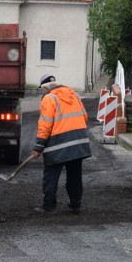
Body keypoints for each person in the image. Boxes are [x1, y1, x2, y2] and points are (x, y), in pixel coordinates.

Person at [31, 74, 91, 214]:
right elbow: (84, 117)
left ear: (46, 87)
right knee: (75, 176)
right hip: (78, 142)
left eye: (42, 89)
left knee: (51, 177)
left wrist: (38, 147)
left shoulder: (49, 98)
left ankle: (49, 207)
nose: (42, 92)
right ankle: (76, 205)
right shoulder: (74, 94)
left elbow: (45, 125)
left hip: (58, 144)